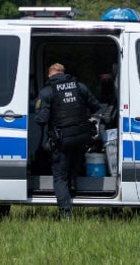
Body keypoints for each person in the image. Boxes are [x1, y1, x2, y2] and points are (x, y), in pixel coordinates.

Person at [34, 63, 101, 220]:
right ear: (64, 73)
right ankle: (73, 186)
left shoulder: (47, 92)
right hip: (82, 138)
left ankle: (66, 214)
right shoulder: (80, 87)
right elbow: (96, 106)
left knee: (60, 176)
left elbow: (41, 120)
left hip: (62, 140)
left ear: (50, 75)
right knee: (74, 166)